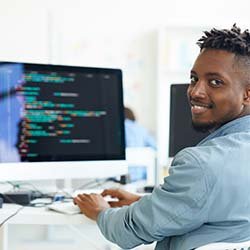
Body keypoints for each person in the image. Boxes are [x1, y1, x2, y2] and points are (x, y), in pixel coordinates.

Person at [74, 24, 250, 250]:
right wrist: (147, 203)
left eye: (215, 82)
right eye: (194, 78)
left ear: (247, 93)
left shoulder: (202, 164)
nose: (195, 91)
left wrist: (100, 211)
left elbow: (128, 231)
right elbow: (215, 213)